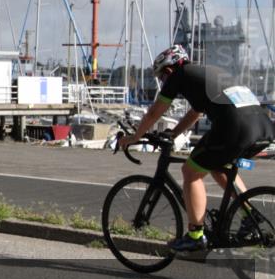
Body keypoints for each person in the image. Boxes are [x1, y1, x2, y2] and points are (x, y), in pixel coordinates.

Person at [118, 44, 275, 251]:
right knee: (218, 165)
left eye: (162, 77)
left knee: (190, 171)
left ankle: (195, 235)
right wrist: (173, 134)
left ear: (169, 69)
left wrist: (134, 137)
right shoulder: (205, 73)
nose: (164, 82)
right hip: (263, 127)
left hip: (235, 127)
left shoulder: (179, 75)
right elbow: (195, 113)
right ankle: (249, 214)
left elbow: (155, 112)